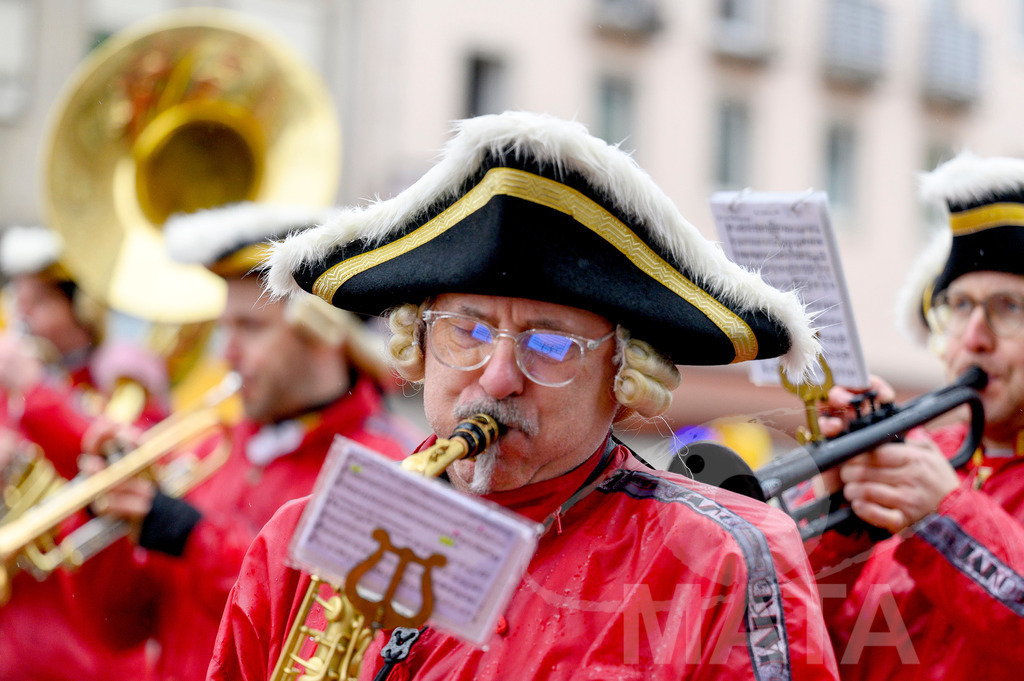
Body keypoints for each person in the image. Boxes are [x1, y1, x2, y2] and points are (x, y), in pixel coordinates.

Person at [209, 111, 840, 680]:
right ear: (418, 347)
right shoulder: (301, 537)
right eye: (468, 330)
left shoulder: (720, 558)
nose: (498, 376)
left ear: (624, 378)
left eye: (552, 344)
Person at [63, 203, 424, 681]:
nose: (227, 354)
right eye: (224, 329)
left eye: (250, 328)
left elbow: (322, 638)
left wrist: (194, 539)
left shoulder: (389, 466)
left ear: (323, 329)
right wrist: (104, 517)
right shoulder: (209, 451)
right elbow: (118, 629)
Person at [808, 152, 1024, 679]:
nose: (974, 338)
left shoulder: (930, 479)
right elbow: (794, 649)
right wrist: (839, 520)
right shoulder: (928, 455)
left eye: (1008, 307)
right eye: (959, 306)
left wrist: (944, 516)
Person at [0, 224, 168, 681]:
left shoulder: (125, 387)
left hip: (93, 655)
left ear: (83, 305)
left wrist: (36, 392)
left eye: (39, 302)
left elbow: (129, 459)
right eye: (19, 301)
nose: (21, 319)